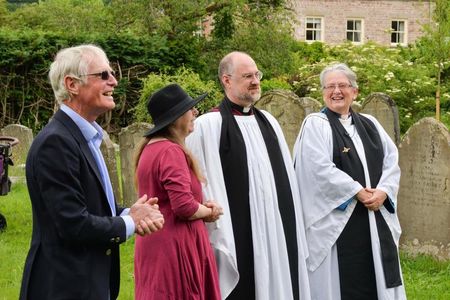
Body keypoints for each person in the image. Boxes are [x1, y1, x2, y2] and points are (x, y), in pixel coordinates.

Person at [20, 44, 165, 300]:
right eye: (104, 75)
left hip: (88, 283)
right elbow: (73, 224)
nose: (115, 81)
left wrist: (128, 212)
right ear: (72, 85)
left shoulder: (84, 136)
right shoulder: (56, 142)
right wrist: (131, 222)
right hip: (64, 287)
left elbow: (89, 204)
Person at [186, 51, 311, 300]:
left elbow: (286, 178)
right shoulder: (209, 125)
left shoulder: (270, 123)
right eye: (247, 76)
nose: (255, 81)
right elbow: (200, 180)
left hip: (275, 226)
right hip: (236, 228)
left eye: (257, 75)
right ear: (227, 80)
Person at [293, 63, 406, 299]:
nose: (336, 91)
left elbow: (391, 161)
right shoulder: (316, 124)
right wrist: (357, 191)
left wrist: (383, 191)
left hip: (374, 217)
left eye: (342, 85)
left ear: (354, 91)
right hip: (339, 222)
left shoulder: (370, 124)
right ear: (323, 92)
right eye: (330, 86)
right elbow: (317, 169)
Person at [133, 83, 223, 300]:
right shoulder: (170, 151)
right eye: (189, 109)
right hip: (174, 249)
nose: (195, 113)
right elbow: (184, 207)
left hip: (155, 245)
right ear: (176, 117)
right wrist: (209, 211)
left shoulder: (150, 148)